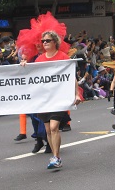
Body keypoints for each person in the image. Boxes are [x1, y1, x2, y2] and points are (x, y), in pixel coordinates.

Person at [22, 30, 81, 169]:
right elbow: (33, 76)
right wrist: (24, 66)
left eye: (48, 40)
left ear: (55, 42)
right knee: (48, 130)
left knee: (54, 127)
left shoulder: (63, 57)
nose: (45, 43)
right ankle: (55, 156)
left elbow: (71, 77)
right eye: (43, 41)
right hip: (44, 99)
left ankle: (57, 157)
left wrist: (76, 94)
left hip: (59, 98)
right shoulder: (40, 59)